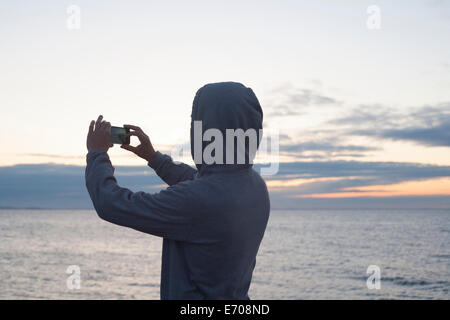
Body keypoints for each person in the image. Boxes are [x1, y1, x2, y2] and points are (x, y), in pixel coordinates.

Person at [85, 82, 270, 299]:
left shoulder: (198, 200)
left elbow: (110, 204)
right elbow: (200, 181)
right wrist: (153, 158)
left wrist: (97, 154)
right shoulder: (255, 185)